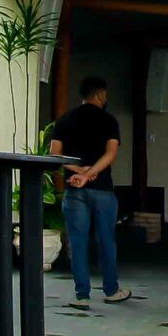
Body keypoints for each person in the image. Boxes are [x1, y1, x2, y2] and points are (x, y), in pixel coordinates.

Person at [48, 76, 127, 308]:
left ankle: (82, 295)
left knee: (78, 241)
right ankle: (111, 290)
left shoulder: (65, 120)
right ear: (100, 94)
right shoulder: (109, 121)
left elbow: (55, 155)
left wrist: (79, 171)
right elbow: (110, 153)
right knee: (106, 240)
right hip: (102, 189)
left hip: (74, 189)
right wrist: (91, 173)